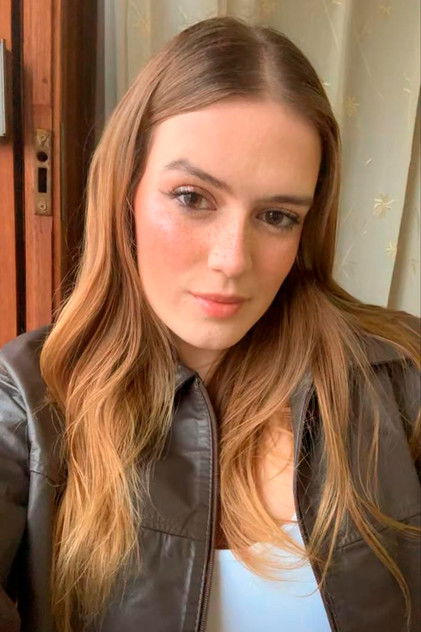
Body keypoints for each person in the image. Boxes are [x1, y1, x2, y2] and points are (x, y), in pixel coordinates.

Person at [0, 15, 419, 632]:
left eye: (276, 216)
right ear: (125, 191)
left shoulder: (398, 373)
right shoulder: (25, 401)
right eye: (192, 198)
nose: (232, 260)